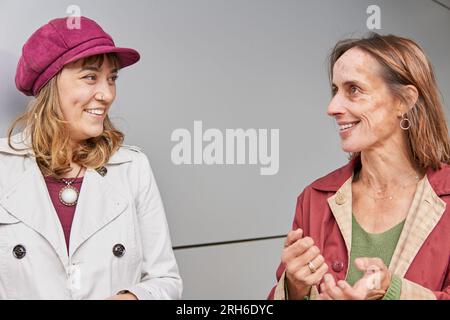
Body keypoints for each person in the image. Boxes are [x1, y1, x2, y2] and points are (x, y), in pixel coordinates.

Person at [0, 16, 182, 299]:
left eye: (112, 79)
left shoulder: (133, 168)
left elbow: (166, 280)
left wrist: (132, 298)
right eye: (90, 77)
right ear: (50, 85)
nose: (107, 94)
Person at [268, 33, 450, 300]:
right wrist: (294, 288)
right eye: (335, 91)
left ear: (404, 101)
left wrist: (392, 292)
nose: (332, 107)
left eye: (354, 89)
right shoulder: (315, 199)